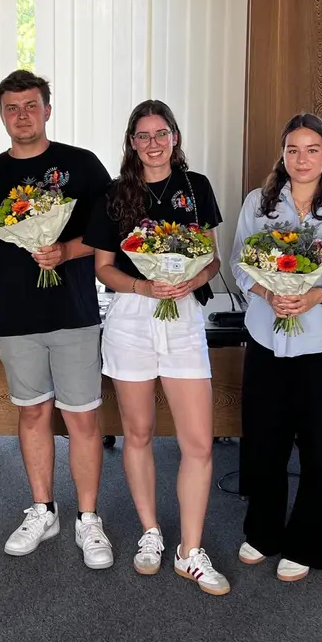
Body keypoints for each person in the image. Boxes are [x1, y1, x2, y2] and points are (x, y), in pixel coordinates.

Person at [0, 70, 116, 569]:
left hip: (74, 313)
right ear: (1, 115)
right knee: (31, 414)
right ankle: (44, 510)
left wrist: (66, 250)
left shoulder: (82, 165)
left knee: (83, 418)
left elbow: (109, 234)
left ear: (47, 109)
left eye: (30, 106)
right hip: (15, 317)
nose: (21, 115)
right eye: (11, 108)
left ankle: (88, 518)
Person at [85, 100, 230, 595]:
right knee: (138, 432)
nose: (153, 143)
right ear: (132, 142)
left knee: (199, 442)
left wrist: (192, 280)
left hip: (184, 318)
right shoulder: (115, 194)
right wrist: (145, 287)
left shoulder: (197, 186)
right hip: (131, 318)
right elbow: (103, 268)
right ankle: (150, 532)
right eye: (143, 135)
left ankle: (190, 551)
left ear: (175, 137)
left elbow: (212, 260)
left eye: (161, 133)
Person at [230, 113, 322, 582]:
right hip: (266, 341)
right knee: (264, 442)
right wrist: (267, 292)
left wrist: (318, 295)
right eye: (293, 150)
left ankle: (307, 542)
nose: (302, 159)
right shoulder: (258, 203)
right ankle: (263, 532)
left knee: (320, 450)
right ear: (283, 154)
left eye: (312, 150)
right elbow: (240, 264)